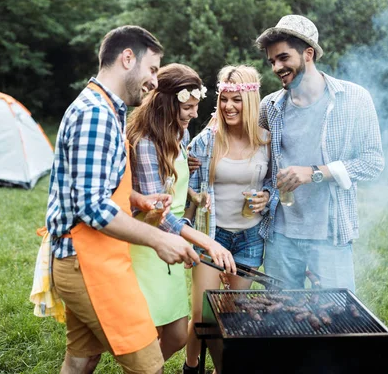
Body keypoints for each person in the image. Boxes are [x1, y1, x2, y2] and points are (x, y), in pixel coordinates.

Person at [45, 25, 200, 374]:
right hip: (88, 263)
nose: (154, 81)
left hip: (89, 257)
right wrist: (159, 238)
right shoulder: (95, 114)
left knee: (81, 360)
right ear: (127, 58)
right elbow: (91, 206)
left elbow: (90, 184)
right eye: (152, 69)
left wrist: (136, 198)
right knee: (149, 366)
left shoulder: (106, 108)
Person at [255, 15, 385, 292]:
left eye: (283, 57)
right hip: (280, 235)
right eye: (272, 61)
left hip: (331, 234)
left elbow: (373, 162)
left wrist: (315, 172)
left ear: (308, 53)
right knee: (282, 320)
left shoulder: (354, 99)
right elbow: (261, 165)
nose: (277, 67)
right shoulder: (270, 107)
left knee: (336, 322)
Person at [126, 63, 237, 363]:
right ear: (166, 104)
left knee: (176, 335)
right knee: (148, 334)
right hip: (150, 242)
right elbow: (158, 213)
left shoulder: (180, 134)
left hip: (175, 241)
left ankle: (146, 369)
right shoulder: (146, 142)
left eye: (195, 106)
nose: (193, 114)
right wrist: (205, 241)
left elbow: (172, 191)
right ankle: (146, 369)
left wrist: (194, 198)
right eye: (187, 107)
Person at [183, 65, 271, 373]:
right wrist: (187, 235)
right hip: (212, 236)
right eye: (224, 99)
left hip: (249, 239)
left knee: (230, 316)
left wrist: (268, 196)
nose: (228, 107)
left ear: (250, 103)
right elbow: (189, 191)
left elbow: (274, 182)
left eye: (236, 100)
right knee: (200, 314)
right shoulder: (207, 141)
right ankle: (192, 367)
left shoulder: (267, 141)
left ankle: (223, 368)